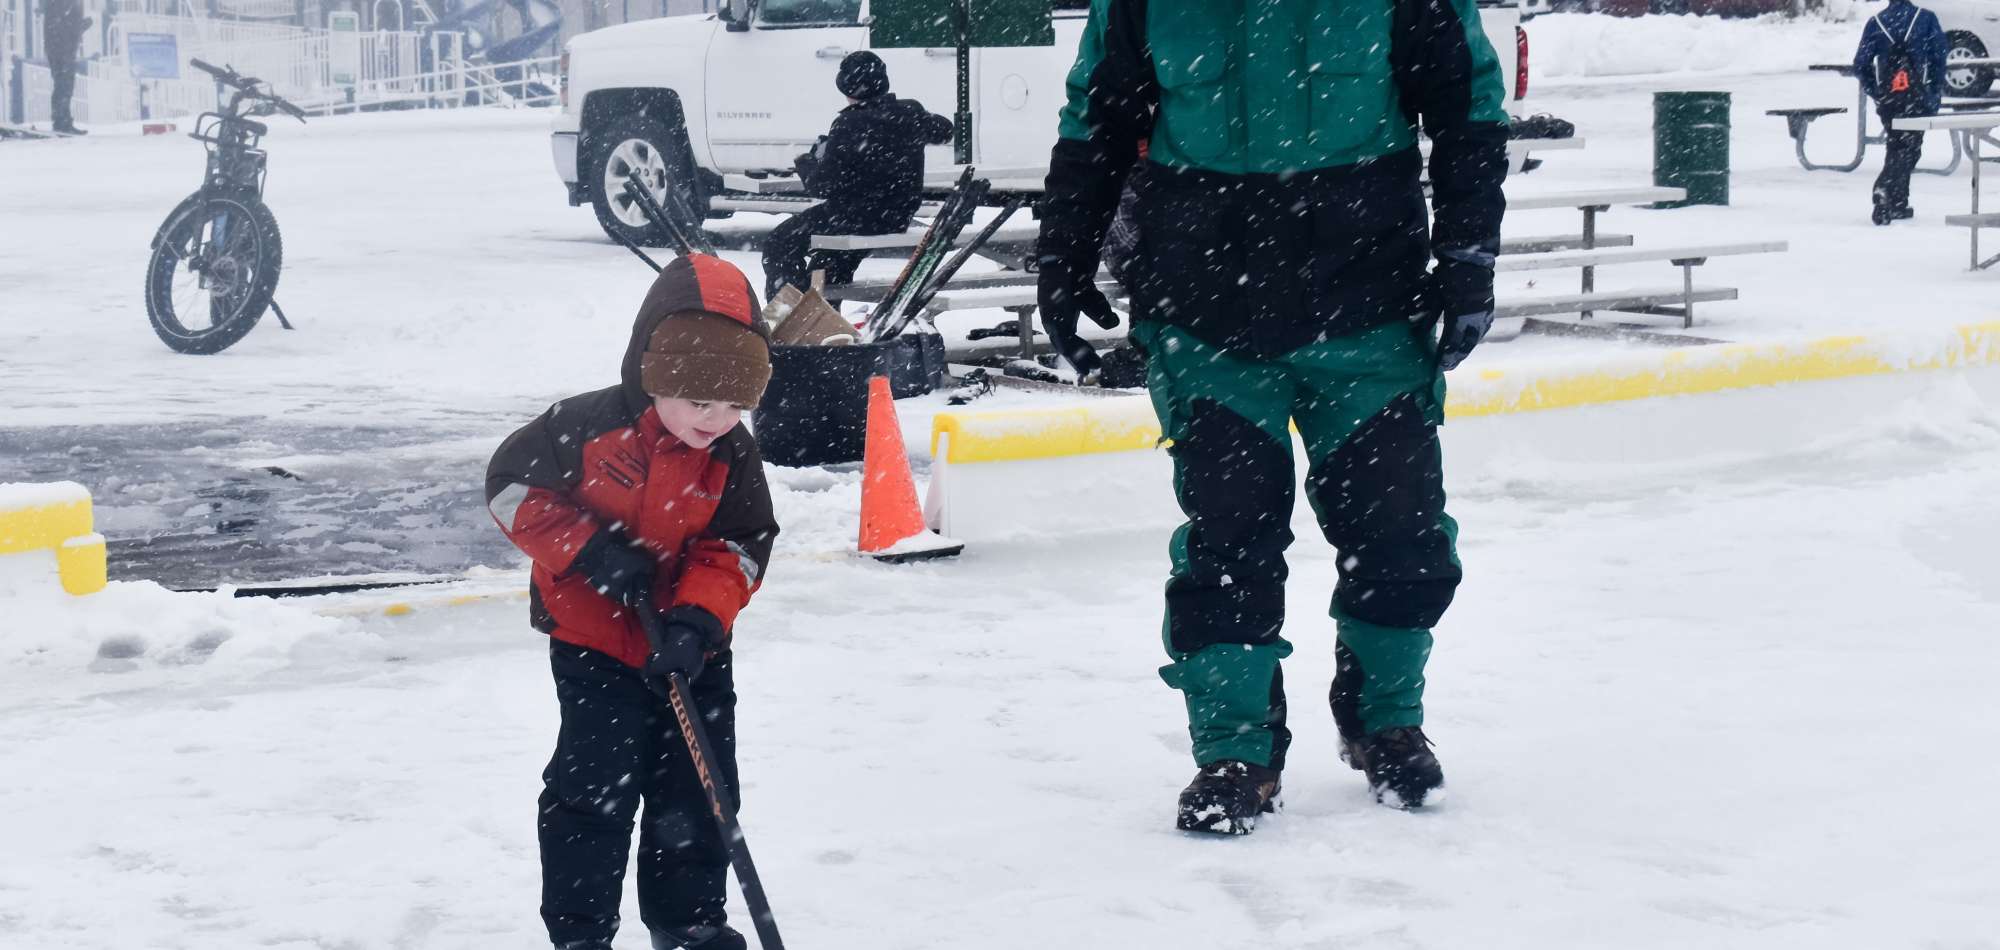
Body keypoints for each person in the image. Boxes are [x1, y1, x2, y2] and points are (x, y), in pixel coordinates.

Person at [1037, 0, 1509, 833]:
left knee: (1399, 532)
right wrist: (1064, 256)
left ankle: (1386, 721)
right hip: (1204, 313)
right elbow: (1098, 124)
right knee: (1229, 542)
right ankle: (1236, 753)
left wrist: (1469, 257)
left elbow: (1467, 112)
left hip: (1371, 309)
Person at [486, 253, 780, 950]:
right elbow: (511, 490)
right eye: (700, 402)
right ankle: (581, 933)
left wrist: (697, 620)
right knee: (593, 795)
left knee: (700, 793)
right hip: (595, 647)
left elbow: (740, 545)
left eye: (735, 405)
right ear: (656, 376)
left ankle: (689, 924)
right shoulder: (582, 427)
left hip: (690, 649)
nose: (717, 420)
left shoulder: (732, 455)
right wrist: (590, 552)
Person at [760, 50, 953, 298]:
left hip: (852, 216)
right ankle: (817, 312)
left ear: (845, 86)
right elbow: (945, 130)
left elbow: (822, 187)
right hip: (897, 215)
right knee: (828, 264)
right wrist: (908, 116)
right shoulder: (910, 112)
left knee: (779, 243)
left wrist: (806, 163)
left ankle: (788, 310)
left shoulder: (848, 124)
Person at [1855, 0, 1948, 225]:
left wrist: (1877, 92)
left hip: (1890, 99)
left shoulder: (1876, 22)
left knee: (1897, 144)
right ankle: (1885, 188)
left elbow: (1860, 64)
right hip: (1917, 96)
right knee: (1910, 149)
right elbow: (1939, 57)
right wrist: (1933, 92)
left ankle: (1897, 203)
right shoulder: (1925, 19)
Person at [43, 0, 92, 135]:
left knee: (64, 86)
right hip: (61, 50)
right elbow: (62, 25)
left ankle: (63, 122)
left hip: (63, 49)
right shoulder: (65, 3)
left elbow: (63, 24)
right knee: (63, 85)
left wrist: (80, 26)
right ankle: (61, 122)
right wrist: (81, 25)